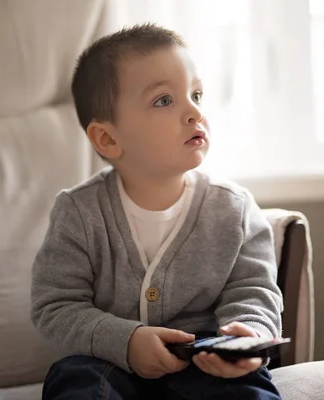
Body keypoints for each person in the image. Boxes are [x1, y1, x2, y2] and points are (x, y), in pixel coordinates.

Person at [31, 23, 284, 400]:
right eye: (164, 100)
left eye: (196, 94)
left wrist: (248, 337)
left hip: (205, 361)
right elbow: (56, 307)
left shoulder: (234, 209)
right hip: (108, 361)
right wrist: (126, 341)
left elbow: (254, 291)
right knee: (76, 380)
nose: (194, 112)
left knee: (245, 388)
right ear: (108, 138)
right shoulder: (79, 211)